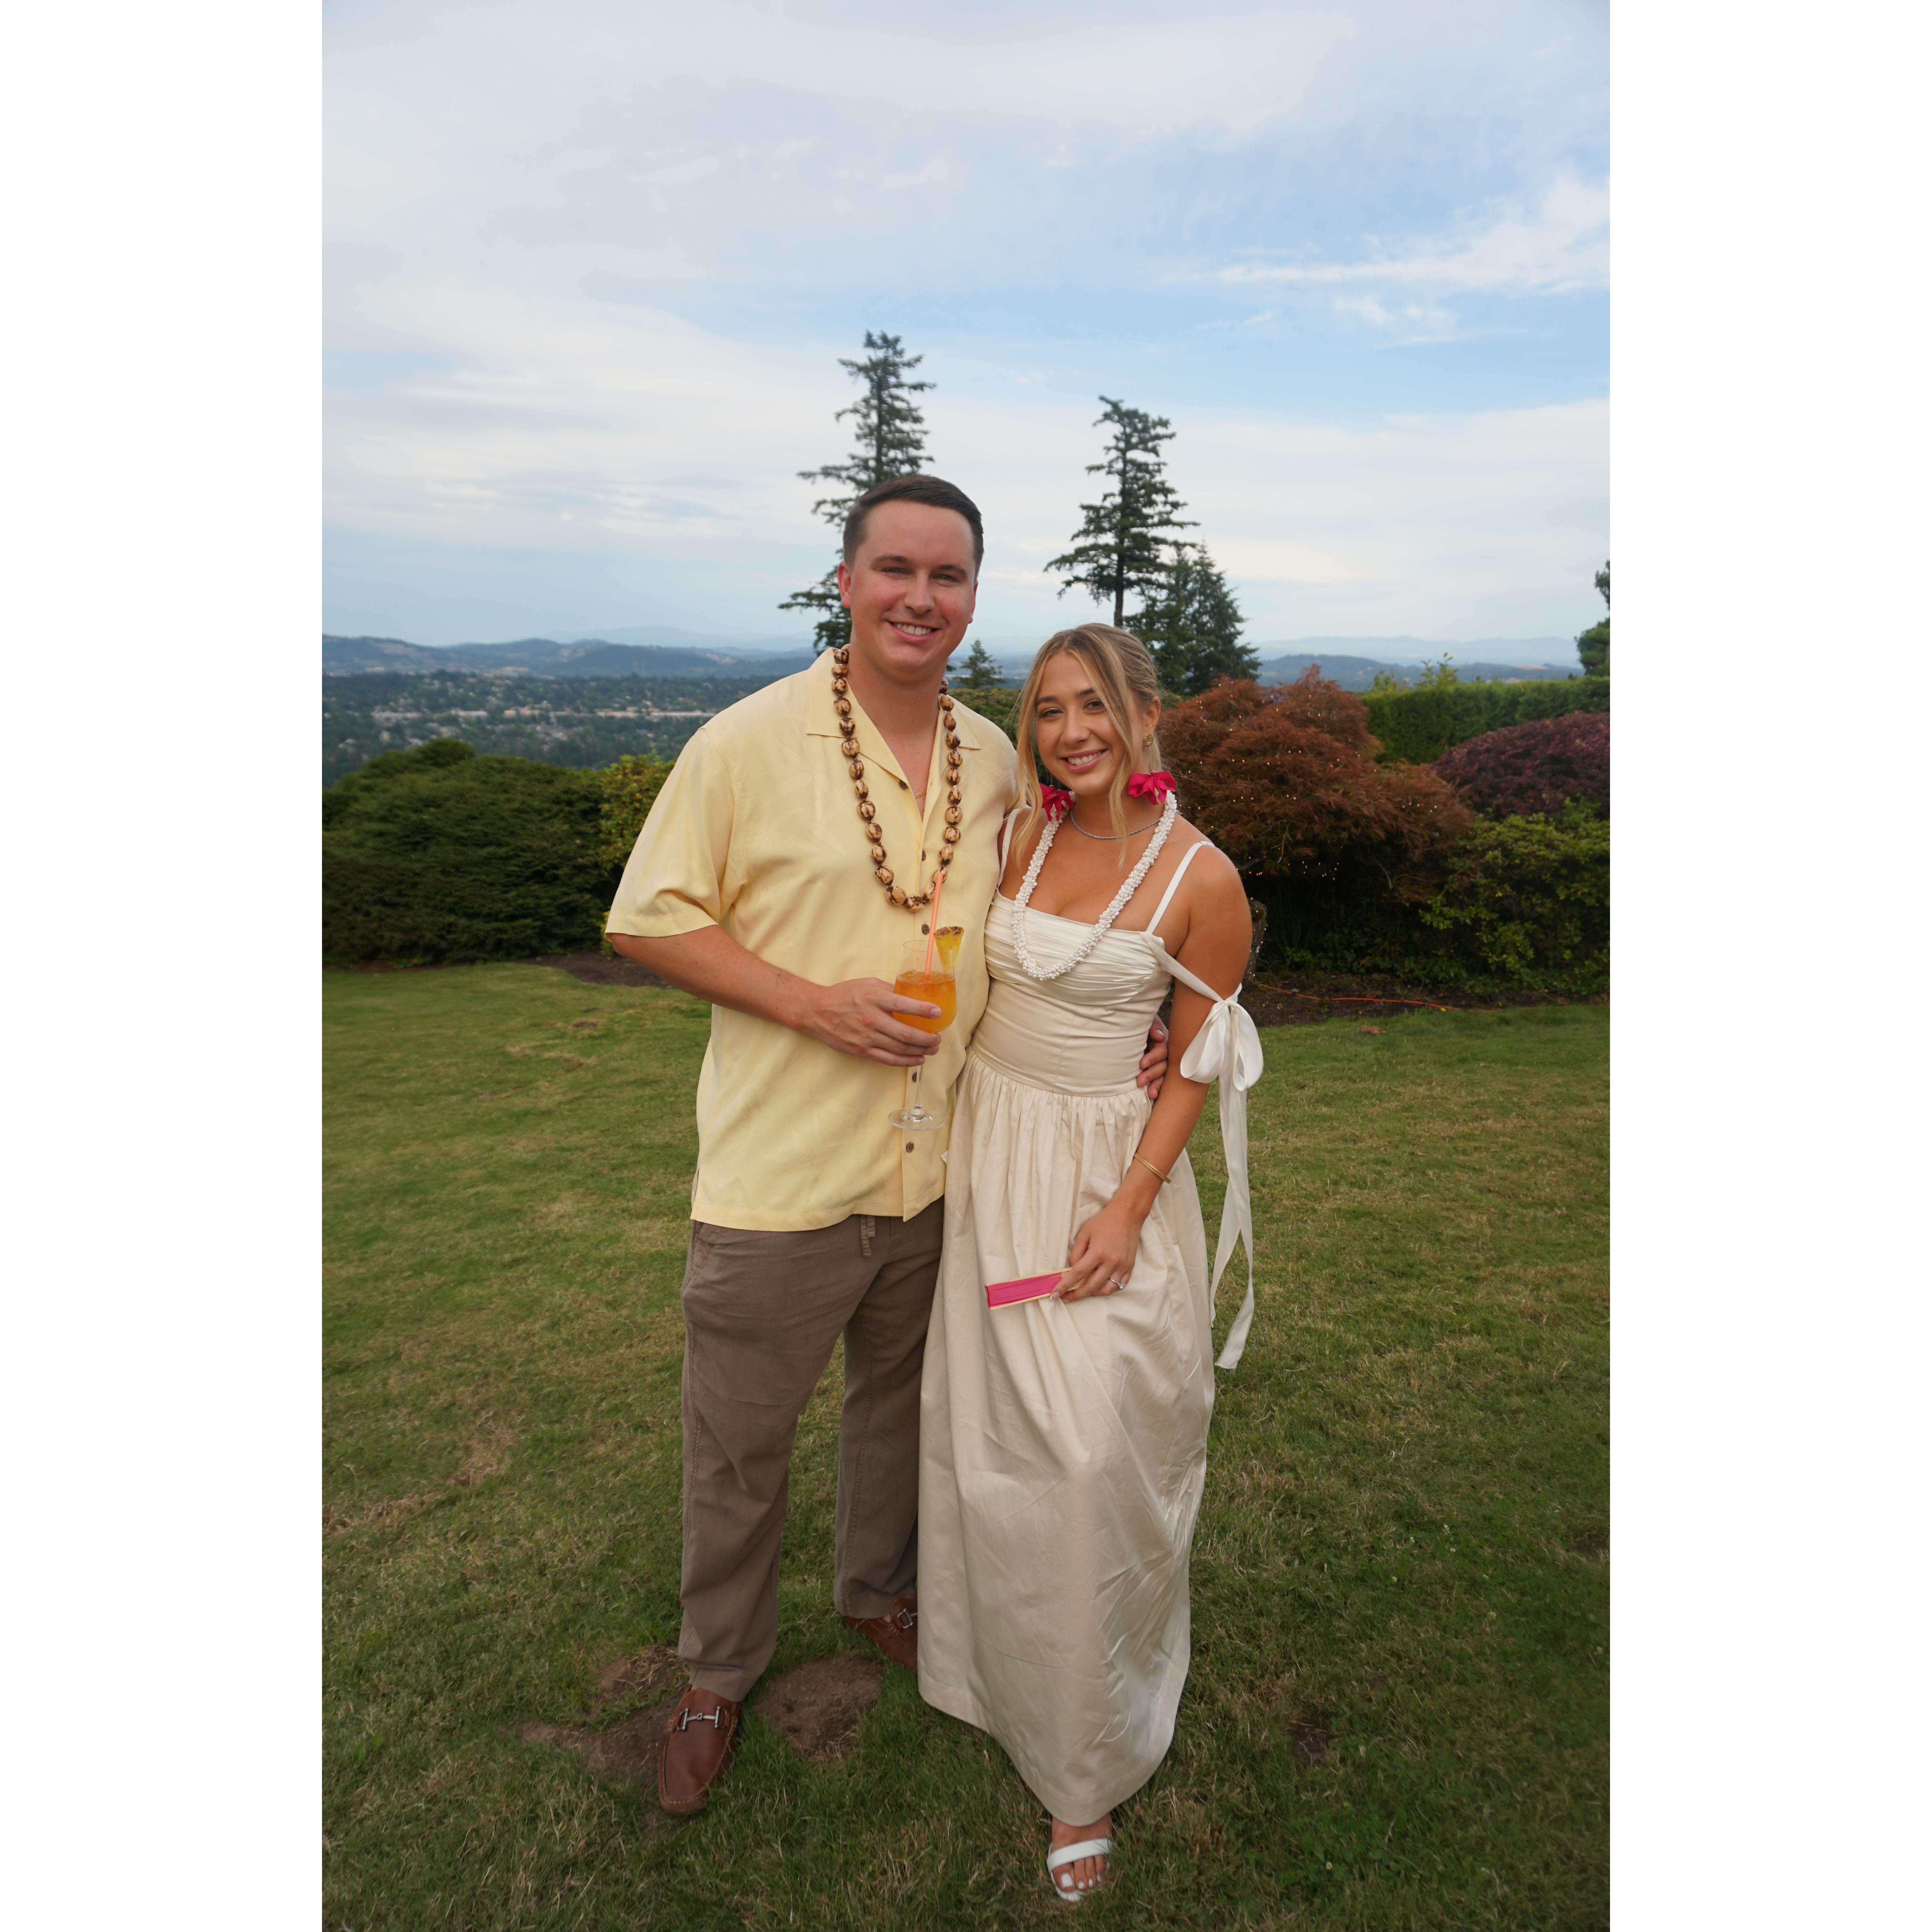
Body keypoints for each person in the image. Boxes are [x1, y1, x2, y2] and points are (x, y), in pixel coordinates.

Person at [603, 477, 1168, 1817]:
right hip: (780, 1176)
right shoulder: (743, 745)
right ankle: (717, 1669)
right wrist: (810, 1001)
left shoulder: (997, 760)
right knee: (738, 1448)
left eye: (952, 576)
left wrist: (1152, 1019)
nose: (923, 596)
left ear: (974, 599)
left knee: (900, 1420)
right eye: (898, 569)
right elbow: (645, 918)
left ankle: (878, 1597)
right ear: (846, 582)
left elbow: (1082, 900)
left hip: (943, 1175)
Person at [916, 623, 1263, 1903]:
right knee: (985, 1433)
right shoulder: (1020, 835)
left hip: (1105, 1180)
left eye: (1094, 708)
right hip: (990, 1152)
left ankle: (1087, 1768)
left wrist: (1127, 1207)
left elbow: (1195, 1060)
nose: (1072, 734)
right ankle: (977, 1668)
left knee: (1086, 1461)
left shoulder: (1203, 878)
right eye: (1050, 711)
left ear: (1140, 713)